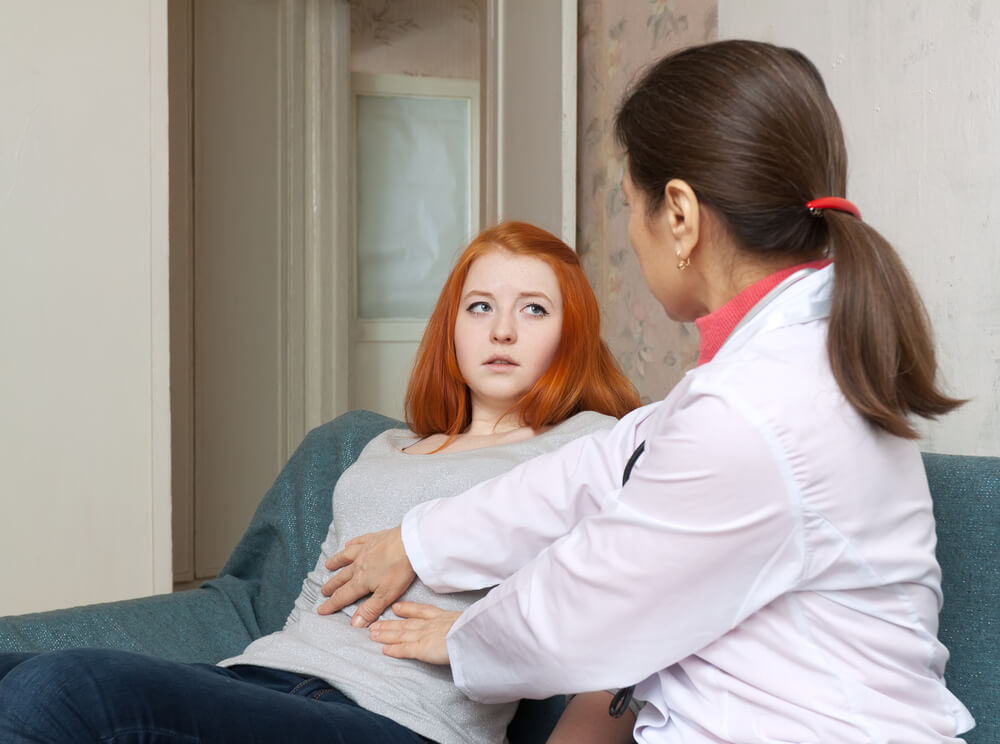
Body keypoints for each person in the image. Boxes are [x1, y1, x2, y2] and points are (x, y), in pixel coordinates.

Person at [318, 41, 976, 743]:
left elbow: (586, 607)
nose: (631, 236)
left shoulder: (755, 412)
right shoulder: (766, 376)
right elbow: (595, 469)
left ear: (682, 216)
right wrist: (420, 542)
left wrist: (464, 639)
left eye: (631, 206)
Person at [0, 221, 640, 744]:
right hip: (268, 681)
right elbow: (318, 600)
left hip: (402, 720)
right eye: (481, 307)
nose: (502, 330)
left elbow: (630, 608)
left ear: (571, 334)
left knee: (64, 691)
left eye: (534, 309)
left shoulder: (586, 445)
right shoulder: (385, 447)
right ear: (453, 327)